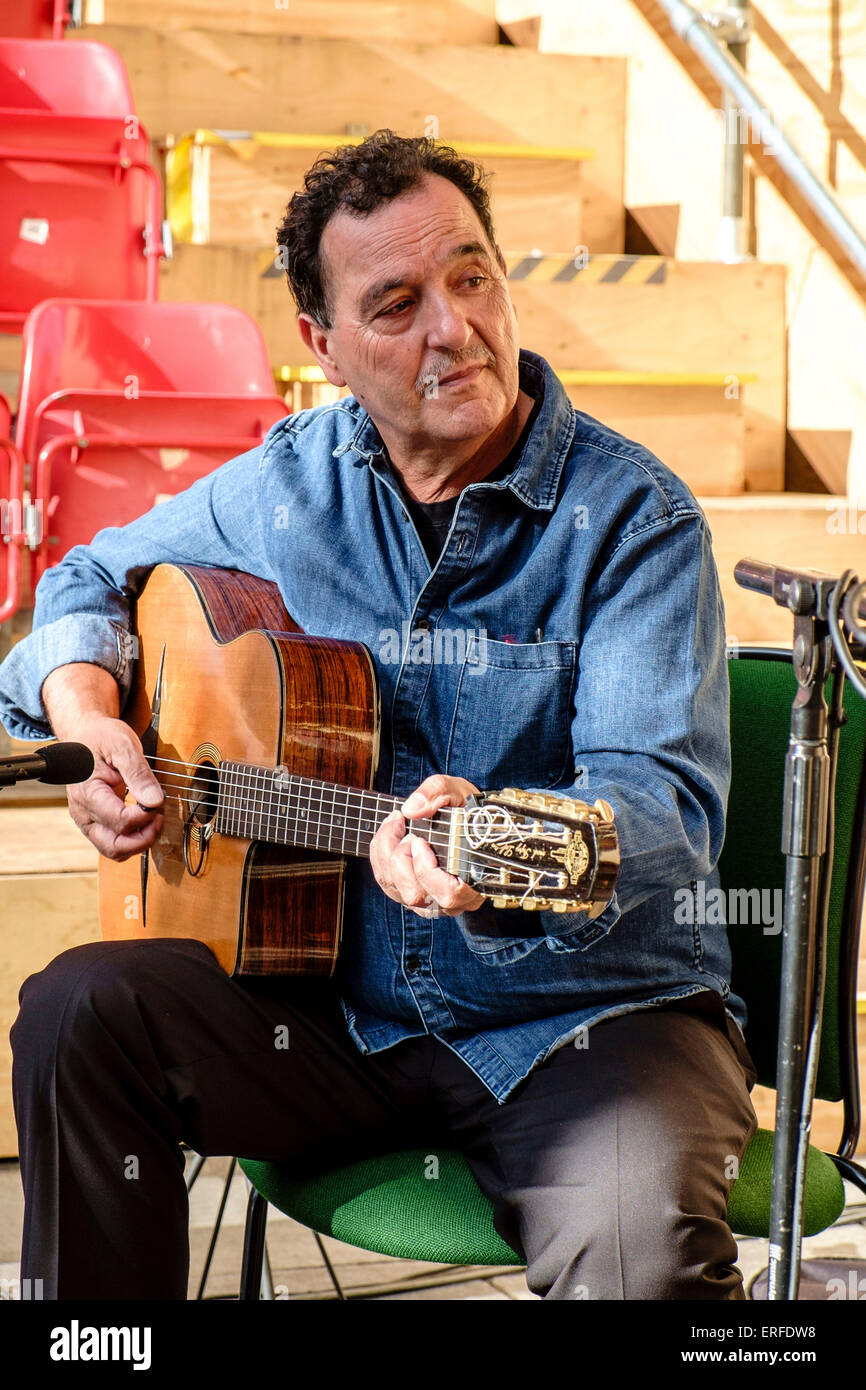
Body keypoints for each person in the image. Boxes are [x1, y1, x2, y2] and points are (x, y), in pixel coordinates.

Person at [0, 130, 757, 1301]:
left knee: (635, 1249)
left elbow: (657, 816)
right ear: (323, 345)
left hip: (590, 1022)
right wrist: (88, 710)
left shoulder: (634, 521)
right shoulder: (283, 486)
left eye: (469, 277)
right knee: (78, 1009)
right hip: (340, 1019)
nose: (451, 329)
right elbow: (82, 579)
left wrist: (493, 848)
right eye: (396, 304)